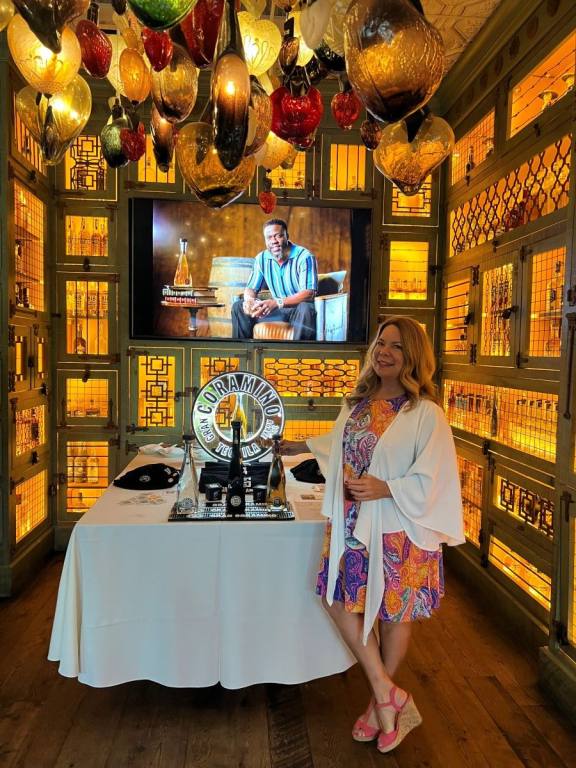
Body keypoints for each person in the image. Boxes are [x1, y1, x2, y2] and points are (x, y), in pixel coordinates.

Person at [288, 317, 464, 753]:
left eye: (397, 347)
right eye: (380, 343)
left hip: (399, 526)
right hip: (351, 521)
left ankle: (377, 705)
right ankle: (387, 692)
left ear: (413, 358)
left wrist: (387, 488)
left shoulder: (426, 413)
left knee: (392, 612)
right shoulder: (359, 403)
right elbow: (346, 444)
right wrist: (303, 446)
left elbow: (438, 475)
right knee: (335, 596)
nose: (384, 352)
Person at [231, 218, 318, 340]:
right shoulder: (261, 258)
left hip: (297, 311)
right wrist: (249, 300)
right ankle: (244, 354)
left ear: (287, 236)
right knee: (238, 306)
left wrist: (278, 302)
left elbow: (309, 294)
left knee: (306, 308)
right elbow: (251, 288)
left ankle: (298, 357)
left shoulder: (304, 257)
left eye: (278, 236)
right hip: (277, 312)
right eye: (269, 237)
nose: (274, 241)